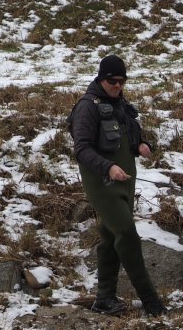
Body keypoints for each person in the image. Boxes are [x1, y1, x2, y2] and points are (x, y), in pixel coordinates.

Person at [69, 55, 166, 316]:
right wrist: (108, 167)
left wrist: (141, 145)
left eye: (122, 82)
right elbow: (82, 150)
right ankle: (151, 301)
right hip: (102, 182)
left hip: (125, 181)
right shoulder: (87, 107)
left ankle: (104, 299)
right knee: (126, 234)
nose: (118, 86)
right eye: (113, 81)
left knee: (111, 237)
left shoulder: (120, 103)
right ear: (101, 78)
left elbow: (130, 136)